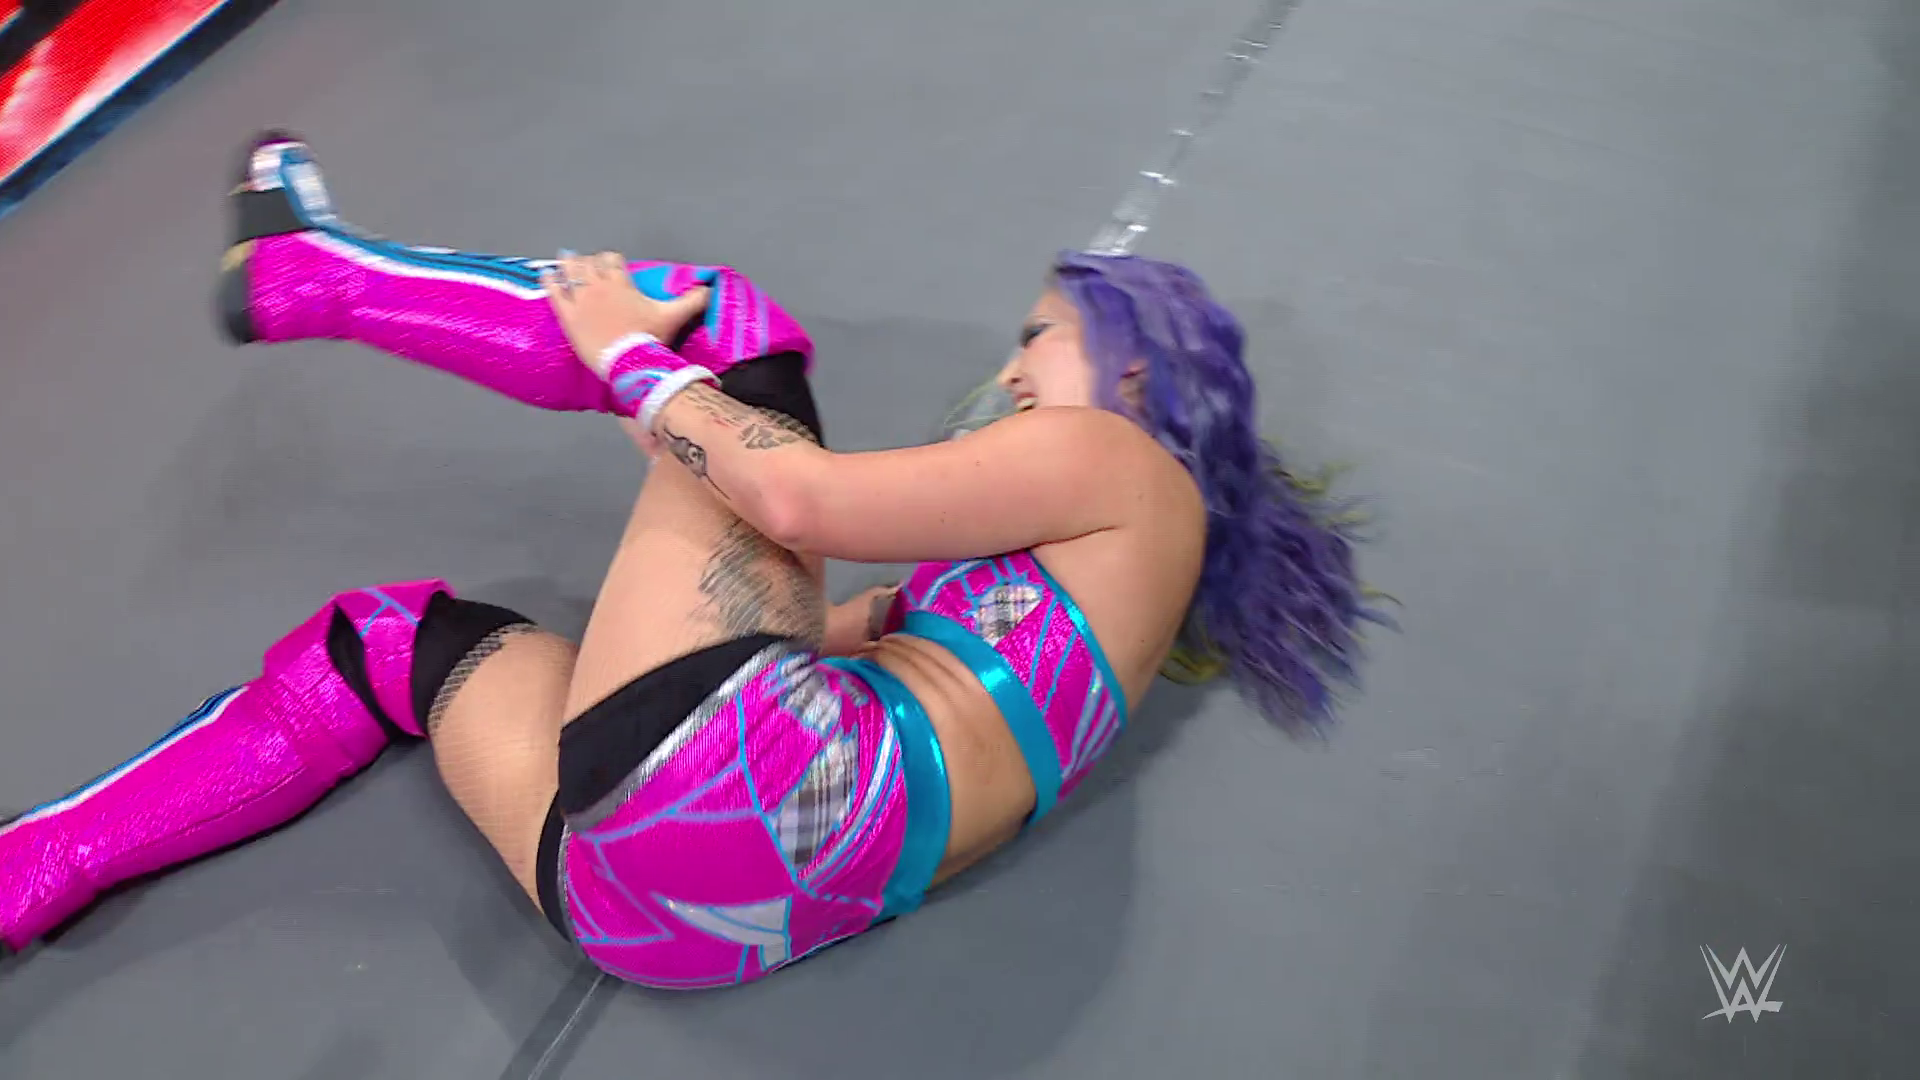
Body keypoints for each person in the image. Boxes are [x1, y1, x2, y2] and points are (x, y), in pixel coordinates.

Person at [0, 132, 1378, 988]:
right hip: (677, 926)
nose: (1015, 375)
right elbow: (814, 600)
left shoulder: (1125, 462)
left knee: (728, 328)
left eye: (1039, 338)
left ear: (1136, 365)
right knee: (389, 646)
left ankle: (308, 271)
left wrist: (626, 357)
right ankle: (34, 864)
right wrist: (681, 473)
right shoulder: (1088, 592)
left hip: (746, 775)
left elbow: (796, 499)